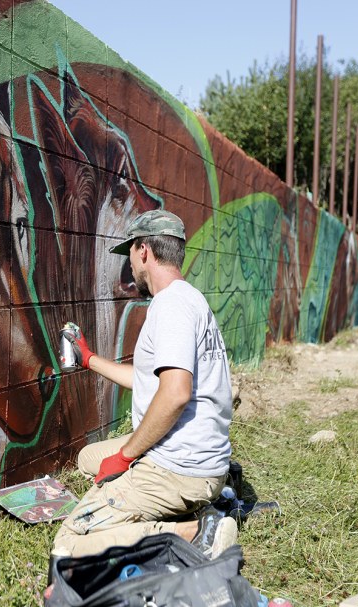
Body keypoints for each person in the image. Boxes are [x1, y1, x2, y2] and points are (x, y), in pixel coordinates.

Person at [52, 209, 237, 558]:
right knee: (88, 458)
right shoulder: (190, 299)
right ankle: (199, 502)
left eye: (131, 257)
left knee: (69, 542)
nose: (131, 268)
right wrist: (89, 358)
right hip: (198, 456)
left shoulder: (170, 307)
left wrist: (125, 457)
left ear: (144, 252)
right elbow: (150, 381)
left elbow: (176, 393)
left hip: (180, 468)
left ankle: (196, 532)